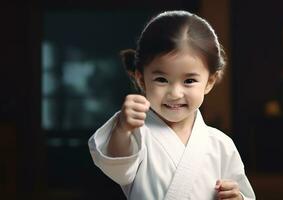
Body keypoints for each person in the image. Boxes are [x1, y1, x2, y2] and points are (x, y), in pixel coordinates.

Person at [88, 10, 255, 200]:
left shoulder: (221, 145)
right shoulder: (135, 133)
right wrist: (122, 129)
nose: (175, 94)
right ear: (141, 79)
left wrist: (237, 197)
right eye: (161, 79)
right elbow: (118, 169)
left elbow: (242, 192)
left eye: (189, 81)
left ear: (209, 81)